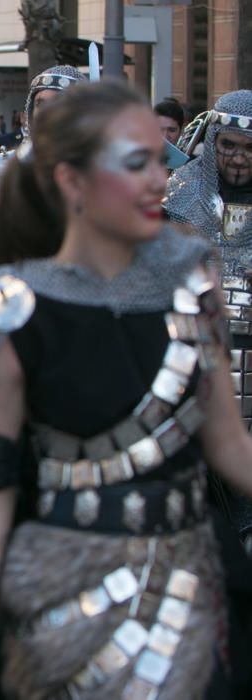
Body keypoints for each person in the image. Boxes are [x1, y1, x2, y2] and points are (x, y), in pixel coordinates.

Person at [0, 79, 251, 700]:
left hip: (184, 591)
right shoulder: (11, 315)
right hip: (59, 597)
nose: (160, 180)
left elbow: (232, 450)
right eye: (135, 163)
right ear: (73, 181)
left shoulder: (194, 293)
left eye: (159, 160)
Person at [164, 90, 252, 540]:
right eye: (229, 145)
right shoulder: (178, 197)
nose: (238, 158)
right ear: (214, 142)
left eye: (249, 148)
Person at [0, 65, 85, 204]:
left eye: (57, 103)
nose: (46, 112)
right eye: (40, 104)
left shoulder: (98, 169)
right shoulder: (1, 169)